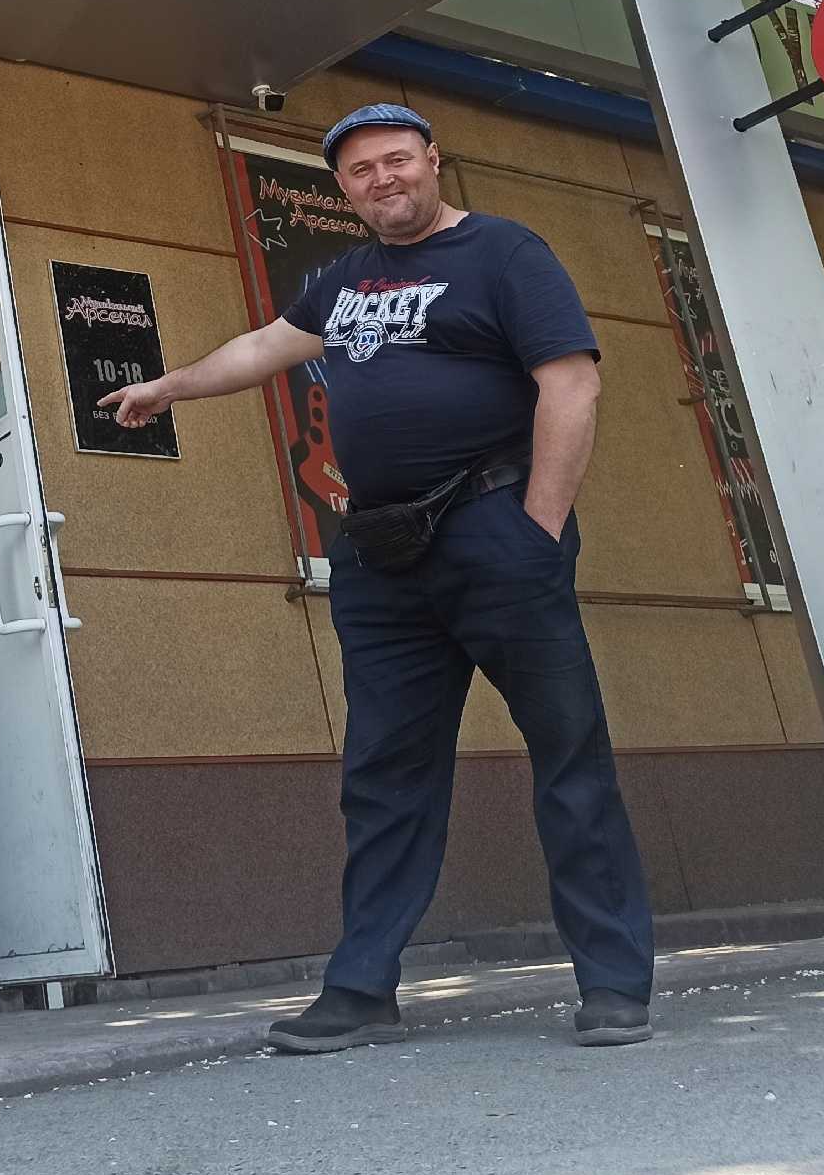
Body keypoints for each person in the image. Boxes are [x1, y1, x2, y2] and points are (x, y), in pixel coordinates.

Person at [100, 103, 654, 1052]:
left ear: (433, 161)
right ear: (345, 190)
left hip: (496, 528)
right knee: (383, 773)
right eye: (360, 171)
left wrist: (538, 527)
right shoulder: (343, 279)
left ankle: (613, 983)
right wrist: (168, 386)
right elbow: (263, 347)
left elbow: (572, 382)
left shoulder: (506, 253)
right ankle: (361, 989)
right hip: (382, 554)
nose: (382, 179)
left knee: (568, 753)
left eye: (396, 160)